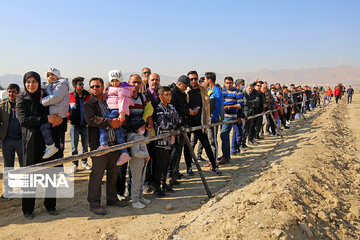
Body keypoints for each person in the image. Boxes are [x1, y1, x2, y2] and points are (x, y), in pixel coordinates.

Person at [16, 71, 64, 219]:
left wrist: (57, 120)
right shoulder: (21, 98)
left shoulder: (45, 96)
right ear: (24, 83)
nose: (31, 84)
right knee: (30, 177)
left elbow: (57, 110)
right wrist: (46, 119)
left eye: (34, 81)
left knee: (51, 175)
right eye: (28, 82)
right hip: (32, 142)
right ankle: (28, 209)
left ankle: (50, 205)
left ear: (39, 82)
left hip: (49, 142)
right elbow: (24, 120)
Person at [84, 77, 127, 215]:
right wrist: (109, 122)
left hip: (114, 143)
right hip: (99, 145)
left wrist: (118, 120)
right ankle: (94, 203)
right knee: (97, 175)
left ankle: (112, 198)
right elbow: (91, 120)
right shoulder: (89, 104)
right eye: (92, 87)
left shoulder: (110, 101)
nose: (95, 89)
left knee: (113, 174)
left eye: (97, 86)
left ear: (103, 87)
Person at [185, 71, 222, 175]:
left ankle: (214, 166)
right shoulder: (186, 91)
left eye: (195, 78)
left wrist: (206, 122)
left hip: (200, 122)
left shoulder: (203, 90)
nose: (193, 81)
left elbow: (207, 107)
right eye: (191, 79)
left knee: (206, 144)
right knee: (187, 146)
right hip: (187, 123)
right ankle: (189, 167)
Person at [98, 70, 133, 166]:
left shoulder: (122, 90)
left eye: (116, 80)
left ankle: (104, 144)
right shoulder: (111, 89)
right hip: (113, 110)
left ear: (120, 80)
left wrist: (122, 113)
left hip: (116, 111)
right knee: (118, 132)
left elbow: (123, 101)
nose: (114, 83)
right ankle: (124, 152)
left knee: (104, 123)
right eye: (112, 80)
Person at [154, 86, 181, 197]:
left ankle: (164, 184)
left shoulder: (171, 107)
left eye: (170, 94)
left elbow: (179, 119)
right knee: (160, 165)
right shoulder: (159, 108)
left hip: (170, 141)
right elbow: (163, 125)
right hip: (161, 142)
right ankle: (157, 188)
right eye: (166, 95)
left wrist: (171, 122)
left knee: (167, 164)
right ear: (160, 96)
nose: (169, 97)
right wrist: (173, 123)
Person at [40, 68, 70, 159]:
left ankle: (51, 147)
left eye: (52, 74)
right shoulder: (49, 85)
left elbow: (56, 97)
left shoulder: (61, 84)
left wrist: (42, 101)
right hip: (53, 115)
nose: (50, 77)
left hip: (59, 116)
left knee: (45, 128)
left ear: (57, 75)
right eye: (48, 75)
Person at [168, 75, 194, 178]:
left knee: (178, 151)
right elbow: (174, 109)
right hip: (174, 126)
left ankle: (175, 171)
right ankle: (171, 173)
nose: (186, 88)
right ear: (179, 84)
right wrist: (188, 111)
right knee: (174, 151)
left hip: (182, 124)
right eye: (185, 86)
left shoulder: (182, 94)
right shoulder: (172, 93)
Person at [0, 84, 23, 198]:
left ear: (18, 92)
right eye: (9, 92)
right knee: (8, 166)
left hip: (21, 140)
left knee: (24, 166)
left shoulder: (23, 105)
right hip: (7, 140)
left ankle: (26, 189)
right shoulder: (2, 106)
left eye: (13, 92)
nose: (11, 94)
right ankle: (8, 191)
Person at [68, 77, 91, 173]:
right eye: (80, 84)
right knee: (74, 146)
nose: (82, 86)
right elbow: (67, 108)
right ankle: (75, 164)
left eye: (82, 84)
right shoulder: (70, 96)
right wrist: (69, 117)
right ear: (74, 86)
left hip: (85, 125)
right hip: (74, 125)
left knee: (85, 145)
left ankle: (84, 162)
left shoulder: (87, 95)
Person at [127, 117, 151, 208]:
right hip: (136, 162)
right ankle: (135, 200)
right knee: (136, 181)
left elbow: (147, 141)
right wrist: (146, 155)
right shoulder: (134, 138)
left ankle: (141, 197)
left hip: (143, 161)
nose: (143, 129)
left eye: (144, 127)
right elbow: (136, 153)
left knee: (141, 180)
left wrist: (148, 131)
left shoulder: (140, 136)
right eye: (141, 127)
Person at [143, 73, 161, 193]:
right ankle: (146, 182)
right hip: (147, 131)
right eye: (152, 80)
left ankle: (156, 182)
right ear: (148, 81)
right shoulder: (144, 95)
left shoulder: (161, 94)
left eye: (156, 80)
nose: (155, 81)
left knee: (156, 158)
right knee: (146, 158)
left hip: (159, 132)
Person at [219, 76, 243, 164]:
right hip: (221, 116)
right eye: (227, 83)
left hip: (230, 116)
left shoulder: (237, 92)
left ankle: (226, 156)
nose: (228, 84)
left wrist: (229, 107)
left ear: (233, 83)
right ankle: (226, 154)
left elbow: (240, 105)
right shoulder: (222, 92)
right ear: (224, 83)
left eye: (230, 83)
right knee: (224, 136)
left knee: (224, 134)